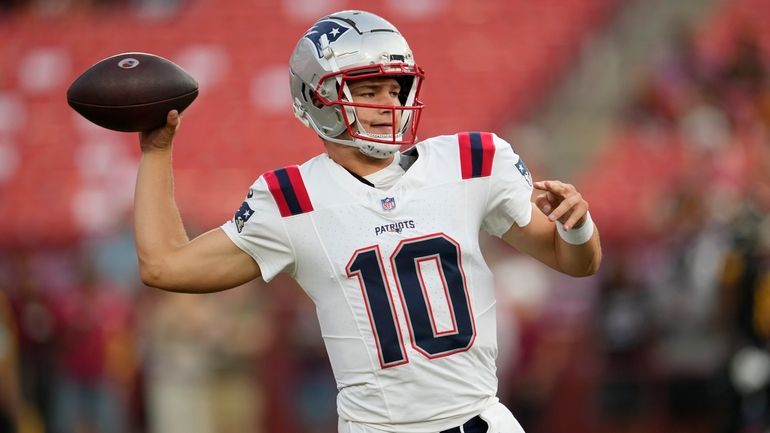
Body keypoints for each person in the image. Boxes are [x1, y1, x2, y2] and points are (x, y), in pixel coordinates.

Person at [134, 10, 601, 433]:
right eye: (368, 91)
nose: (388, 104)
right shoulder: (291, 199)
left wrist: (576, 226)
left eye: (395, 89)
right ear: (319, 98)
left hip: (479, 420)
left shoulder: (472, 161)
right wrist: (156, 152)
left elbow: (575, 262)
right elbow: (166, 266)